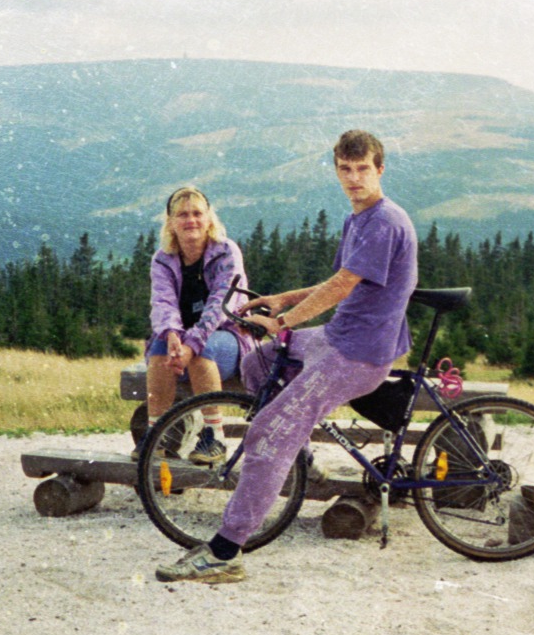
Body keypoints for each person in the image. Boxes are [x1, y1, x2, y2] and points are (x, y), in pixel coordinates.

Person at [155, 129, 418, 584]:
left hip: (359, 354)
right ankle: (301, 462)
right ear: (337, 170)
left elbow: (341, 287)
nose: (354, 179)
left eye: (362, 170)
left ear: (380, 170)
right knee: (259, 363)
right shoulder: (360, 217)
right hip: (339, 337)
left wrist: (285, 321)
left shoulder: (385, 222)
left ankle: (225, 551)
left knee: (266, 432)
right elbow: (338, 280)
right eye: (345, 169)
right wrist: (281, 300)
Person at [146, 186, 254, 464]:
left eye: (197, 213)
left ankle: (214, 436)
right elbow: (162, 303)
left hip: (228, 338)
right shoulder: (163, 259)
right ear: (170, 222)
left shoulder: (226, 252)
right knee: (158, 348)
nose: (191, 220)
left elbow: (221, 305)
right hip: (181, 346)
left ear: (209, 219)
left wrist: (191, 344)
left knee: (202, 349)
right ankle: (157, 435)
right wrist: (171, 335)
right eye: (182, 215)